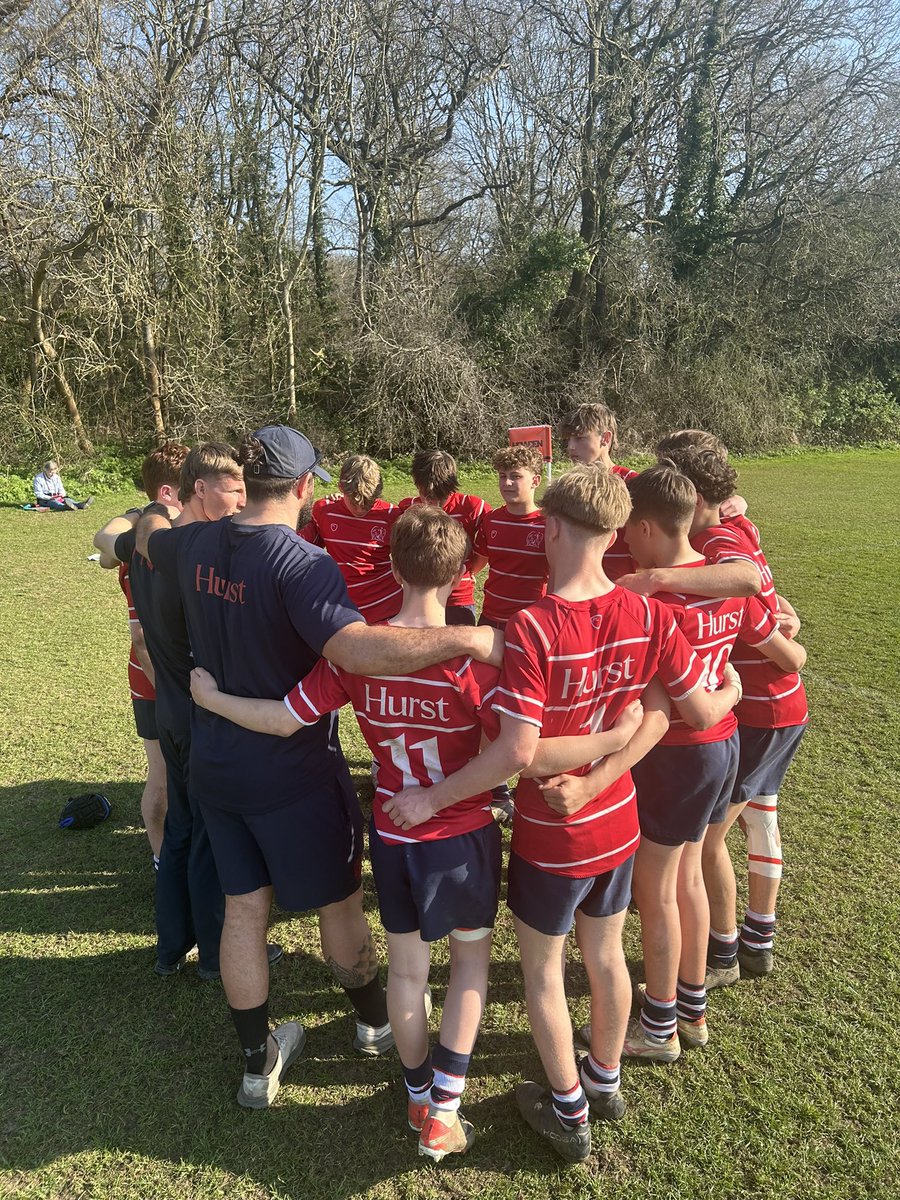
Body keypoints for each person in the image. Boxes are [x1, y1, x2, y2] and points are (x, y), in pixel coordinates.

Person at [192, 503, 642, 1157]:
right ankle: (444, 1110)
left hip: (395, 836)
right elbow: (525, 750)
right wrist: (616, 735)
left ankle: (416, 1092)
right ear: (463, 570)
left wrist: (213, 700)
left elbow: (284, 718)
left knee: (407, 975)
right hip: (462, 839)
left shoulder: (359, 655)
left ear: (392, 568)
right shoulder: (477, 660)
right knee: (468, 970)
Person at [135, 424, 504, 1110]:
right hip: (293, 772)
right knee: (338, 903)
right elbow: (358, 652)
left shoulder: (190, 541)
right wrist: (470, 635)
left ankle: (256, 1065)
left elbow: (146, 539)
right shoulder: (302, 562)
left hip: (215, 765)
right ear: (305, 487)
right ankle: (371, 1023)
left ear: (244, 479)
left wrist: (147, 514)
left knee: (244, 912)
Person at [385, 465, 743, 1163]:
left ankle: (569, 1110)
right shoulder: (650, 614)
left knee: (545, 972)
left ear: (550, 527)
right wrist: (608, 767)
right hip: (618, 821)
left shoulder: (533, 628)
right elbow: (669, 711)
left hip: (554, 835)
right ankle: (603, 1080)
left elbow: (519, 753)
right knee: (606, 954)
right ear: (614, 532)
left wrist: (434, 797)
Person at [611, 465, 807, 1061]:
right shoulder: (719, 583)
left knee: (657, 889)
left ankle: (660, 1025)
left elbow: (666, 700)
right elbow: (763, 621)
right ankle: (692, 1010)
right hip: (725, 745)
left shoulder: (655, 601)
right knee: (690, 874)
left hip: (676, 754)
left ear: (646, 527)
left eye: (628, 531)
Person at [94, 443, 249, 982]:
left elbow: (109, 537)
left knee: (182, 826)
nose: (239, 505)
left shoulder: (142, 542)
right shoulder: (195, 547)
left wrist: (149, 514)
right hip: (200, 709)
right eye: (231, 491)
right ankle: (212, 952)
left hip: (169, 710)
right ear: (197, 492)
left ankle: (168, 948)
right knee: (205, 832)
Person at [661, 446, 810, 984]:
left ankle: (722, 953)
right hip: (777, 703)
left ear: (695, 497)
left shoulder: (722, 539)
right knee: (759, 814)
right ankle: (756, 937)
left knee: (709, 839)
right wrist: (782, 616)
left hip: (763, 708)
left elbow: (746, 581)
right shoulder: (735, 521)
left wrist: (654, 578)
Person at [93, 440, 190, 867]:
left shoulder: (167, 532)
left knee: (184, 777)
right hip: (158, 682)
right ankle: (161, 858)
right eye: (192, 484)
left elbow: (103, 544)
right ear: (168, 494)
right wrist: (175, 691)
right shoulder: (147, 545)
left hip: (182, 681)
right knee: (165, 778)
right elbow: (141, 637)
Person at [299, 454, 401, 623]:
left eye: (369, 502)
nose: (361, 508)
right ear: (340, 487)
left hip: (388, 609)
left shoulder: (392, 515)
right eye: (354, 502)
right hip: (343, 609)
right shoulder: (324, 510)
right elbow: (305, 549)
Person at [399, 450, 490, 625]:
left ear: (451, 486)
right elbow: (376, 514)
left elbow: (495, 529)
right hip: (421, 598)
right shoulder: (408, 508)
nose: (433, 502)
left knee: (461, 649)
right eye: (426, 494)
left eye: (439, 495)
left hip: (458, 598)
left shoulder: (472, 507)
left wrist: (472, 571)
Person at [472, 445, 548, 631]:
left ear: (535, 481)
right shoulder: (491, 520)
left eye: (516, 476)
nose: (507, 483)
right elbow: (477, 563)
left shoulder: (549, 524)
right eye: (502, 476)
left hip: (530, 621)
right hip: (490, 618)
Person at [558, 402, 637, 581]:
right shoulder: (569, 485)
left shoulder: (633, 483)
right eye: (568, 439)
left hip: (622, 589)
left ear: (605, 438)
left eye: (579, 438)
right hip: (579, 587)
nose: (570, 447)